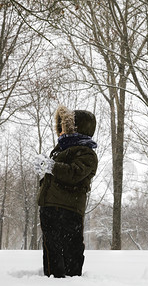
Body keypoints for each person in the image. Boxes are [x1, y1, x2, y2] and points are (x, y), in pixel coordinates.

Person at [34, 105, 98, 278]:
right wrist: (43, 173)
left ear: (75, 129)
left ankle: (71, 280)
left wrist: (52, 167)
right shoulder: (60, 150)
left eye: (64, 128)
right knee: (51, 248)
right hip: (49, 206)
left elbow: (74, 174)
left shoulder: (86, 153)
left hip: (68, 209)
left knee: (71, 249)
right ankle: (51, 278)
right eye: (60, 128)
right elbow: (54, 177)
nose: (60, 132)